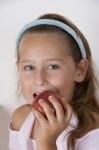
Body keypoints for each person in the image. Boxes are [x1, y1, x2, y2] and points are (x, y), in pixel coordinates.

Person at [8, 13, 99, 150]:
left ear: (80, 70)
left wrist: (46, 143)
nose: (39, 80)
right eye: (29, 67)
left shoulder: (93, 132)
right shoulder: (21, 118)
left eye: (52, 66)